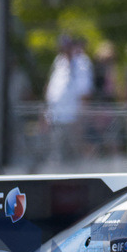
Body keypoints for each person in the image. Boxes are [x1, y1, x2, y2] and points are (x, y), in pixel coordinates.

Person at [44, 34, 94, 162]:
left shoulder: (82, 62)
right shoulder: (58, 61)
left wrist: (81, 117)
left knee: (75, 155)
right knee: (58, 154)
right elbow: (51, 90)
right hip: (56, 117)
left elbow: (85, 92)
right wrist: (45, 114)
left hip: (74, 118)